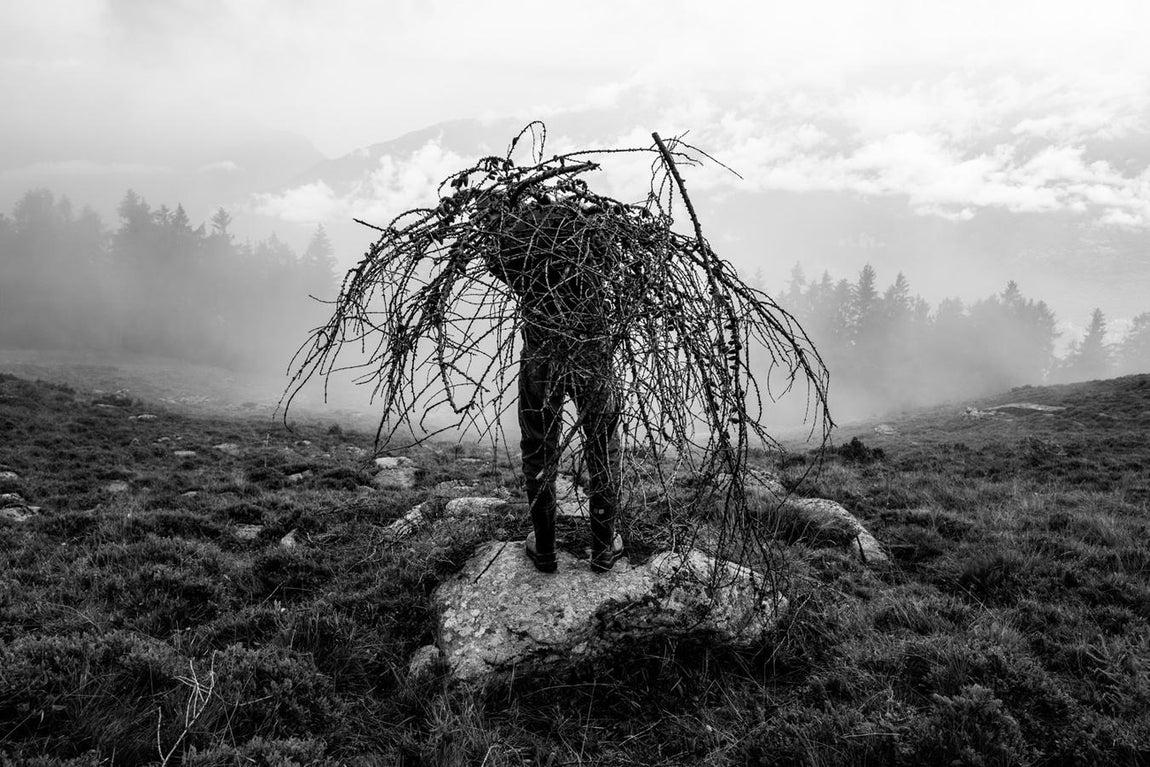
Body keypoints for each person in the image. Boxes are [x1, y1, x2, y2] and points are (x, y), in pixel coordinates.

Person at [487, 195, 626, 573]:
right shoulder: (596, 239)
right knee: (602, 442)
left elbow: (496, 259)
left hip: (541, 349)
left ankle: (545, 547)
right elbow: (617, 265)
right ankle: (602, 548)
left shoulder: (523, 245)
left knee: (538, 443)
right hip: (592, 349)